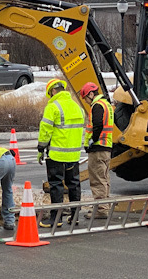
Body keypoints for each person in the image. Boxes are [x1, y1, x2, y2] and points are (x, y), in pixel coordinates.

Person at [37, 78, 85, 227]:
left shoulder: (53, 107)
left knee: (56, 185)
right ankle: (75, 216)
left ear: (52, 91)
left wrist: (41, 148)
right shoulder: (77, 107)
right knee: (74, 184)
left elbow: (45, 130)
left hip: (57, 154)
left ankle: (55, 219)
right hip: (74, 154)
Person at [80, 82, 113, 219]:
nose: (87, 102)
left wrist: (92, 141)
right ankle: (105, 205)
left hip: (98, 148)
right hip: (106, 147)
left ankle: (101, 209)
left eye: (86, 99)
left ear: (91, 94)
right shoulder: (107, 105)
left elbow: (98, 125)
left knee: (97, 179)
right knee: (104, 178)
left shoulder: (97, 106)